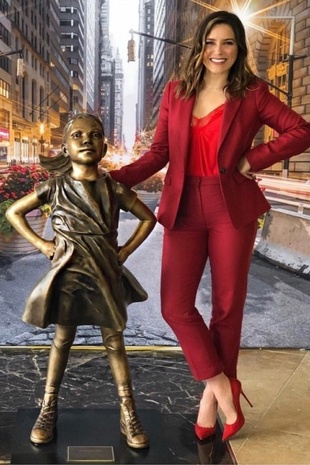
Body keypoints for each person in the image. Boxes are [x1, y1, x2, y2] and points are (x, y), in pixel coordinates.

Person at [110, 10, 310, 442]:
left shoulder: (253, 93)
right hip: (184, 207)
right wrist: (111, 180)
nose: (218, 52)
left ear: (238, 49)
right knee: (174, 306)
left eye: (228, 43)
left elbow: (300, 130)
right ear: (199, 46)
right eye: (211, 43)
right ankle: (223, 386)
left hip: (230, 209)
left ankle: (210, 404)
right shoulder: (177, 91)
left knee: (227, 307)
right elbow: (158, 152)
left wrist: (251, 160)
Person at [6, 113, 156, 448]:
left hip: (105, 272)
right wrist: (43, 245)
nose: (86, 140)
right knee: (62, 338)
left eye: (95, 135)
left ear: (104, 145)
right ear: (65, 146)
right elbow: (13, 212)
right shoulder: (54, 187)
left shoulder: (114, 188)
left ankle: (127, 410)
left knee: (115, 341)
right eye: (77, 135)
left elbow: (149, 217)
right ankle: (48, 407)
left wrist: (125, 251)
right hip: (69, 273)